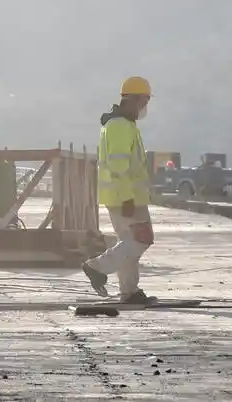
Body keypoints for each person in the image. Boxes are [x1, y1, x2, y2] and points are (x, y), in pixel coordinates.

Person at [82, 76, 156, 305]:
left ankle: (129, 292)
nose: (144, 107)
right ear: (132, 100)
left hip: (121, 196)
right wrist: (127, 197)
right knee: (142, 238)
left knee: (128, 243)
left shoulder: (119, 124)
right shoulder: (120, 127)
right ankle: (97, 267)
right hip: (125, 197)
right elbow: (118, 166)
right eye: (143, 102)